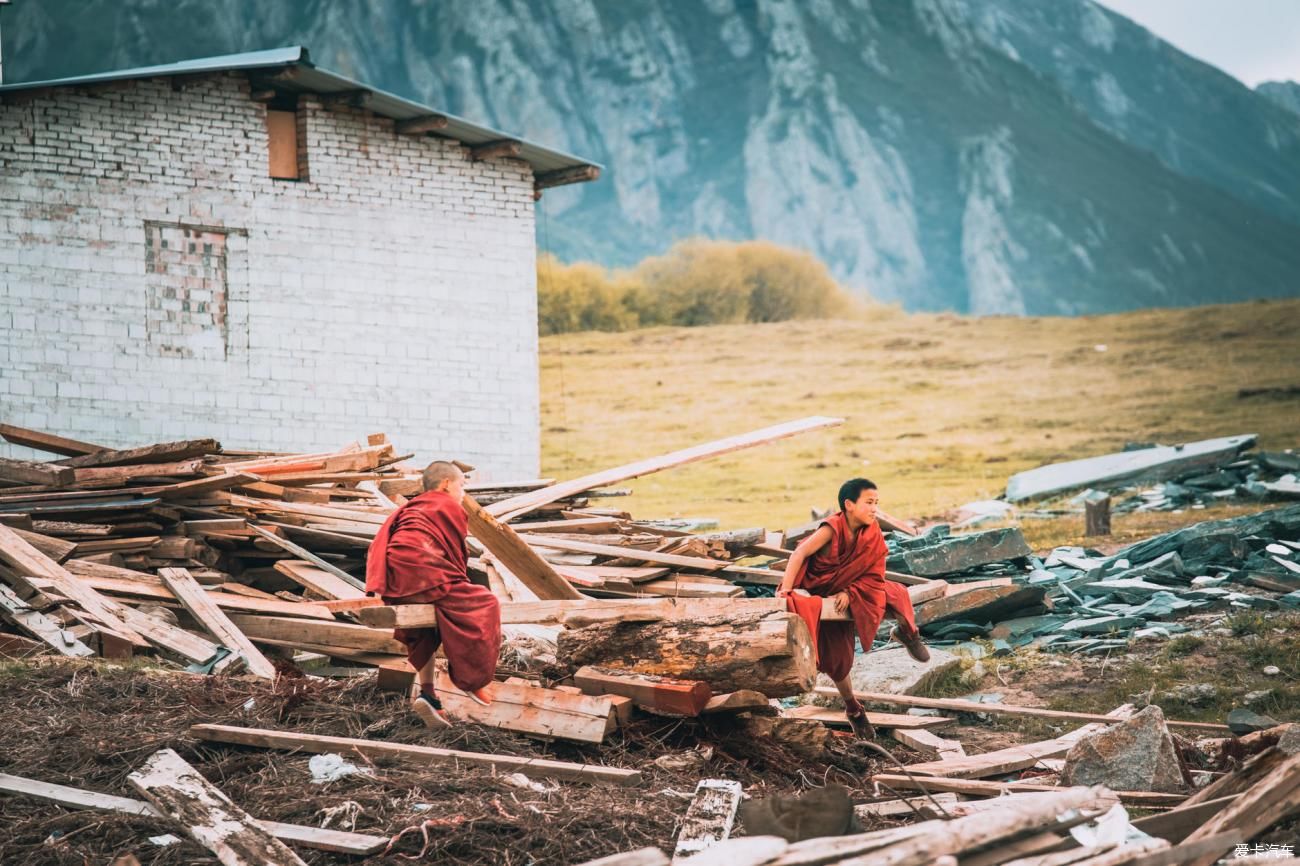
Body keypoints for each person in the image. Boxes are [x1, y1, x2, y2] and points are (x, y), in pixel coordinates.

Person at [777, 478, 929, 739]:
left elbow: (874, 575)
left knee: (898, 593)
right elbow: (799, 554)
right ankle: (854, 709)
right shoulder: (831, 529)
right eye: (869, 503)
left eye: (877, 503)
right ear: (849, 504)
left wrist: (849, 592)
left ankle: (908, 634)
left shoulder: (872, 532)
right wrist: (785, 592)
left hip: (853, 589)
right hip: (821, 592)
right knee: (839, 660)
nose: (874, 509)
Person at [366, 461, 502, 729]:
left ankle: (429, 694)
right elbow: (453, 556)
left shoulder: (412, 508)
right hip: (421, 572)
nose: (463, 493)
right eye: (462, 485)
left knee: (427, 625)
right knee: (486, 603)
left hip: (397, 579)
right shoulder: (445, 504)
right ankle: (473, 681)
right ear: (446, 484)